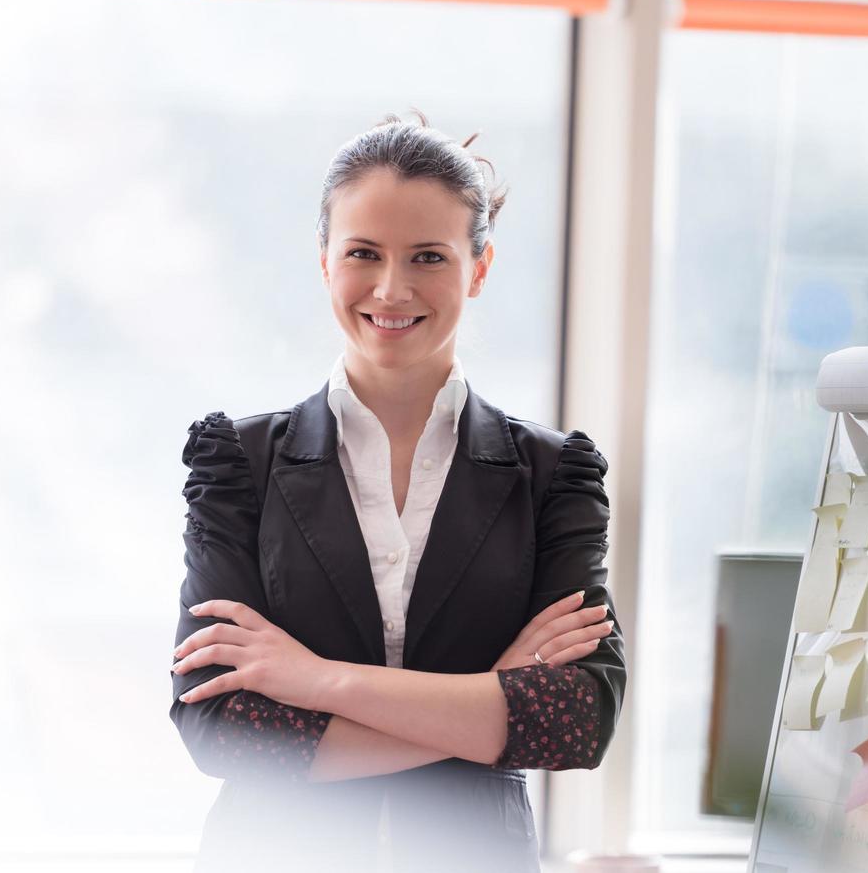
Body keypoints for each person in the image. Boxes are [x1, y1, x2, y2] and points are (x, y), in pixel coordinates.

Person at [166, 112, 627, 872]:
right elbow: (221, 725)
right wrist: (490, 701)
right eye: (363, 253)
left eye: (427, 257)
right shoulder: (236, 464)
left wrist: (316, 682)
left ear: (478, 269)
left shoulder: (555, 475)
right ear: (324, 262)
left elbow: (575, 722)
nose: (391, 287)